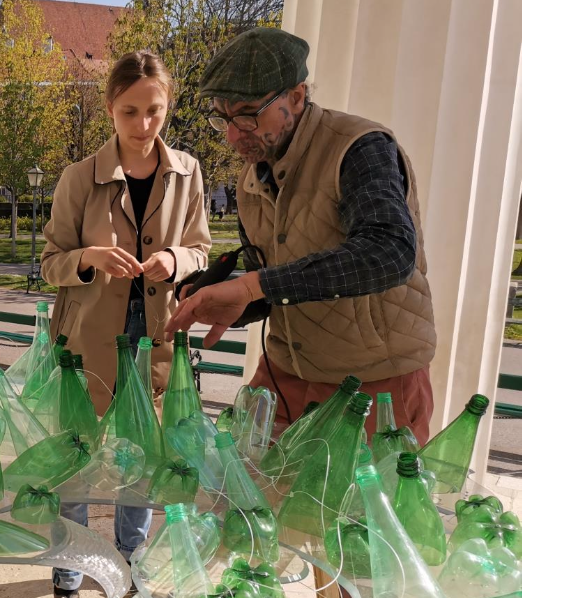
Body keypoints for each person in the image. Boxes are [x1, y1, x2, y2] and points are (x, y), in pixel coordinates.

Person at [165, 27, 436, 442]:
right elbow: (276, 286)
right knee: (245, 500)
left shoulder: (360, 147)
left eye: (249, 113)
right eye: (223, 118)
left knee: (357, 509)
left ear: (297, 95)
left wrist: (255, 285)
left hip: (374, 384)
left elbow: (389, 252)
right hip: (284, 375)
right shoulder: (249, 178)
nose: (235, 134)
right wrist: (231, 304)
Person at [40, 50, 210, 598]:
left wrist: (173, 259)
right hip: (88, 339)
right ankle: (68, 580)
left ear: (168, 106)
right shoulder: (78, 177)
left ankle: (132, 560)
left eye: (155, 111)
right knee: (78, 460)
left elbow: (201, 251)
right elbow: (49, 263)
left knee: (141, 457)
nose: (143, 125)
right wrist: (85, 259)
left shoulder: (187, 172)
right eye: (131, 111)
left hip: (158, 340)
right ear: (110, 109)